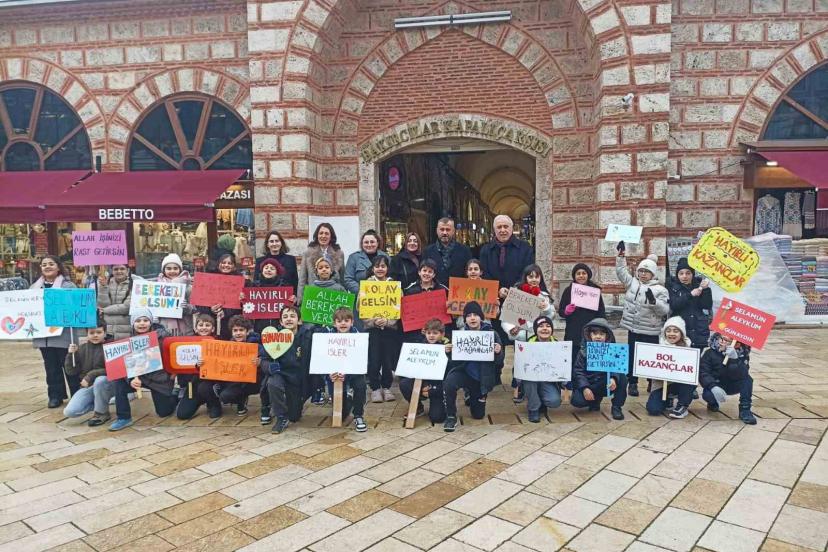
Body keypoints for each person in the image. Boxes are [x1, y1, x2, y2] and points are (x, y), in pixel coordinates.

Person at [109, 308, 176, 431]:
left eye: (145, 320)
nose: (142, 323)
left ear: (151, 322)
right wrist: (130, 380)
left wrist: (172, 374)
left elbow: (173, 355)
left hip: (159, 379)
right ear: (133, 324)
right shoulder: (128, 340)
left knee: (164, 412)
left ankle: (175, 396)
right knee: (119, 381)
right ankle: (123, 417)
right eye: (138, 321)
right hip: (140, 378)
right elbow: (122, 366)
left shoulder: (163, 337)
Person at [442, 301, 504, 431]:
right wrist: (449, 352)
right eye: (469, 315)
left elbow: (499, 362)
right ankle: (451, 416)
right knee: (449, 383)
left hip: (481, 378)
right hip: (464, 372)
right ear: (465, 319)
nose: (472, 318)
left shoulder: (492, 334)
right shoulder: (460, 335)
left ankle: (473, 396)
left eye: (475, 315)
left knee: (478, 415)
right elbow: (454, 362)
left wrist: (498, 352)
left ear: (481, 317)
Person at [616, 250, 669, 397]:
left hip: (651, 330)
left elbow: (664, 310)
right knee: (632, 356)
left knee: (650, 358)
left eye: (647, 272)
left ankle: (652, 381)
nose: (643, 274)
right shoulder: (632, 283)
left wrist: (654, 302)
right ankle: (632, 383)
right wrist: (620, 257)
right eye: (641, 271)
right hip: (633, 329)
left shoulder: (661, 290)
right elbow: (621, 272)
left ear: (653, 274)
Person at [30, 255, 80, 408]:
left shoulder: (69, 286)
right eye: (44, 264)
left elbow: (76, 306)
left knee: (69, 365)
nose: (47, 266)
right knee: (51, 367)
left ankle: (77, 396)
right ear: (41, 268)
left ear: (58, 267)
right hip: (43, 336)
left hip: (64, 334)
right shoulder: (34, 288)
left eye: (51, 264)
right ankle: (55, 395)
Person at [479, 215, 534, 345]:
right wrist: (498, 290)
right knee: (496, 340)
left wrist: (513, 290)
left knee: (519, 338)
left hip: (519, 299)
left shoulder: (525, 248)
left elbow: (528, 272)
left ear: (512, 228)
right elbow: (484, 273)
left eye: (506, 226)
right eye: (499, 227)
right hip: (494, 300)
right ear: (494, 230)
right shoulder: (486, 250)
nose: (503, 230)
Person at [503, 264, 554, 403]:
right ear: (525, 278)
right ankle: (519, 388)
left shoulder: (544, 296)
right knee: (520, 363)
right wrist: (511, 329)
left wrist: (546, 308)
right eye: (530, 276)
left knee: (537, 363)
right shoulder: (516, 294)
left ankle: (537, 388)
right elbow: (506, 316)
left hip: (537, 338)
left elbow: (551, 317)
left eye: (537, 276)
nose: (534, 279)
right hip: (521, 337)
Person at [261, 306, 312, 433]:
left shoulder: (308, 336)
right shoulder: (273, 337)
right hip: (280, 374)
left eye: (292, 316)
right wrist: (269, 366)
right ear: (281, 322)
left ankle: (294, 404)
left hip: (298, 378)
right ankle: (281, 417)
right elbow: (263, 359)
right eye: (285, 317)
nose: (289, 319)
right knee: (272, 383)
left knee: (294, 417)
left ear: (299, 321)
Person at [398, 318, 453, 423]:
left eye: (435, 333)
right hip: (423, 382)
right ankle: (418, 407)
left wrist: (433, 390)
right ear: (425, 333)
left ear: (442, 334)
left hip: (439, 386)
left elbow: (449, 377)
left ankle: (445, 404)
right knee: (404, 384)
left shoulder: (447, 348)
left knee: (437, 418)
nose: (431, 336)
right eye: (429, 333)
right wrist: (423, 386)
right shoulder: (420, 346)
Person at [570, 318, 626, 420]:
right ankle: (594, 400)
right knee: (577, 401)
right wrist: (585, 388)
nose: (598, 336)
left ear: (607, 336)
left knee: (622, 377)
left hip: (605, 383)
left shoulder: (613, 350)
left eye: (601, 334)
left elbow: (617, 367)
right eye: (595, 333)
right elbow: (578, 371)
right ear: (589, 335)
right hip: (589, 383)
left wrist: (613, 378)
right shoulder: (583, 351)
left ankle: (617, 407)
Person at [63, 316, 115, 426]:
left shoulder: (112, 347)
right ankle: (100, 403)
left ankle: (101, 413)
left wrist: (90, 375)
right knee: (70, 412)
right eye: (91, 333)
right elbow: (71, 371)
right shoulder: (82, 348)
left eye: (99, 332)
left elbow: (113, 369)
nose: (95, 335)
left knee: (100, 380)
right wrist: (70, 355)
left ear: (105, 333)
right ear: (87, 334)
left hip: (109, 384)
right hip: (88, 387)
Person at [362, 256, 401, 403]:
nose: (380, 269)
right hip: (373, 330)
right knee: (374, 358)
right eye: (377, 266)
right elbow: (361, 307)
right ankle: (375, 388)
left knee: (387, 359)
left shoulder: (394, 286)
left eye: (383, 266)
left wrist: (389, 321)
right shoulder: (366, 285)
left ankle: (386, 387)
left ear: (387, 269)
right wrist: (373, 321)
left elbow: (399, 306)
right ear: (373, 268)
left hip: (389, 329)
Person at [207, 315, 261, 417]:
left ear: (247, 332)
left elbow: (265, 359)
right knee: (225, 397)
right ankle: (240, 400)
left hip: (253, 381)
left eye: (241, 330)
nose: (238, 333)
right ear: (231, 332)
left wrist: (259, 362)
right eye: (235, 330)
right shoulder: (228, 346)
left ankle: (249, 400)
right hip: (235, 382)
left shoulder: (256, 345)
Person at [699, 333, 757, 424]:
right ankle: (713, 403)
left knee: (748, 380)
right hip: (716, 383)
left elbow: (743, 374)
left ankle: (745, 409)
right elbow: (703, 372)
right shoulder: (709, 353)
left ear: (737, 344)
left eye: (727, 341)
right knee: (707, 395)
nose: (722, 342)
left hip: (733, 383)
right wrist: (712, 386)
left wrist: (734, 359)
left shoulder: (742, 353)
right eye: (721, 339)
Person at [645, 316, 696, 419]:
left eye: (675, 331)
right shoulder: (657, 347)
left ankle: (682, 405)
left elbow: (692, 372)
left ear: (681, 333)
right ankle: (668, 399)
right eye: (668, 331)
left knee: (690, 379)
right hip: (661, 384)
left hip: (681, 383)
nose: (671, 334)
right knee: (653, 409)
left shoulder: (689, 349)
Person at [327, 307, 368, 432]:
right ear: (334, 323)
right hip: (335, 375)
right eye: (339, 321)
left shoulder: (359, 338)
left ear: (352, 322)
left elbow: (361, 361)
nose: (343, 323)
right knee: (342, 414)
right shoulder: (327, 338)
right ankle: (348, 399)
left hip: (354, 374)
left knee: (361, 385)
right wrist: (328, 374)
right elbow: (323, 359)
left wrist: (348, 373)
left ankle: (358, 415)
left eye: (346, 320)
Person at [558, 263, 606, 366]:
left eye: (584, 273)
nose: (581, 276)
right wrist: (566, 311)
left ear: (588, 275)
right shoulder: (568, 291)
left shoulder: (594, 291)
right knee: (573, 360)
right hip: (573, 332)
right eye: (578, 273)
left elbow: (601, 312)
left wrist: (600, 330)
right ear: (574, 276)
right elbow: (561, 311)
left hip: (591, 331)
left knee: (590, 361)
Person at [522, 316, 564, 423]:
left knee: (554, 401)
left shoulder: (558, 345)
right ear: (536, 330)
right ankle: (533, 409)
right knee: (528, 381)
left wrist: (565, 380)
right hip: (531, 380)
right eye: (541, 326)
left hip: (548, 380)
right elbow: (519, 366)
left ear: (552, 330)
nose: (545, 328)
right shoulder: (527, 344)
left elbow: (563, 366)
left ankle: (541, 402)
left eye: (548, 326)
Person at [668, 257, 712, 350]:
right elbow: (674, 305)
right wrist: (690, 295)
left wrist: (706, 290)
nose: (684, 276)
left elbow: (707, 305)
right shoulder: (673, 287)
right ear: (677, 275)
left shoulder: (699, 286)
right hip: (680, 330)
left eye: (688, 273)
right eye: (681, 273)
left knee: (696, 356)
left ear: (692, 274)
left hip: (698, 331)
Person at [402, 259, 449, 342]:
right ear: (419, 272)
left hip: (437, 335)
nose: (426, 273)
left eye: (430, 272)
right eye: (424, 270)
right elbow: (407, 315)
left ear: (434, 275)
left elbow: (447, 313)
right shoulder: (409, 290)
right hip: (416, 335)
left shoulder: (443, 290)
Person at [201, 252, 244, 339]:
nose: (226, 265)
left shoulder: (241, 281)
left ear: (234, 266)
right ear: (218, 264)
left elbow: (244, 305)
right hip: (212, 322)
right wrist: (210, 309)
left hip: (232, 322)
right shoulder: (209, 279)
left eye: (229, 263)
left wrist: (242, 300)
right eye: (223, 262)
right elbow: (200, 301)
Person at [298, 223, 345, 302]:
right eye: (321, 233)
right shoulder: (308, 253)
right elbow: (302, 279)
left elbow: (342, 278)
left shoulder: (339, 253)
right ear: (317, 235)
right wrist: (301, 299)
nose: (323, 236)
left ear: (331, 236)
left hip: (333, 297)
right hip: (313, 296)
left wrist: (344, 298)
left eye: (326, 233)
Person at [248, 258, 295, 334]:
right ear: (262, 270)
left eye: (272, 269)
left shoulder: (284, 286)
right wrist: (243, 299)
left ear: (277, 272)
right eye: (266, 268)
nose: (268, 270)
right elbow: (248, 307)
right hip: (259, 326)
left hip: (279, 327)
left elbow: (289, 307)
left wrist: (292, 301)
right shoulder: (254, 286)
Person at [423, 218, 472, 287]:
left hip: (459, 291)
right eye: (442, 229)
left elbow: (469, 274)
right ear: (437, 231)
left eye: (448, 230)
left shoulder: (465, 251)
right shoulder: (427, 251)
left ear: (453, 231)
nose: (445, 233)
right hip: (434, 291)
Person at [155, 253, 193, 338]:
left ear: (180, 269)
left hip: (185, 328)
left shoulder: (188, 287)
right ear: (163, 270)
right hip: (164, 327)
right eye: (168, 268)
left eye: (175, 268)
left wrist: (186, 307)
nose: (172, 271)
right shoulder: (157, 286)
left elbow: (195, 308)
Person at [344, 229, 390, 295]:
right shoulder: (354, 257)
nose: (369, 244)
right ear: (362, 244)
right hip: (360, 297)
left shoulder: (386, 256)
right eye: (366, 242)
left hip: (383, 296)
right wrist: (362, 291)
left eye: (372, 242)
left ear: (377, 243)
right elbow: (348, 279)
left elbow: (391, 275)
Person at [97, 264, 135, 341]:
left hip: (126, 330)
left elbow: (127, 307)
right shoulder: (106, 282)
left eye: (122, 269)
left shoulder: (134, 284)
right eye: (116, 269)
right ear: (112, 271)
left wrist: (105, 310)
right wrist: (103, 287)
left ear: (127, 270)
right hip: (108, 331)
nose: (119, 271)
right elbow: (102, 305)